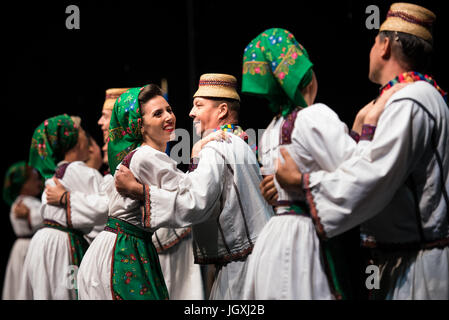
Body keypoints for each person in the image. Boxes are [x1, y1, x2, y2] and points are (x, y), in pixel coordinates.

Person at [275, 3, 449, 300]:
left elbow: (373, 177)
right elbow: (372, 166)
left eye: (373, 41)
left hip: (420, 265)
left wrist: (303, 181)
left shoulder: (411, 100)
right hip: (403, 258)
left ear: (383, 46)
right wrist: (362, 125)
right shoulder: (409, 98)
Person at [238, 27, 402, 300]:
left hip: (272, 241)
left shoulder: (269, 132)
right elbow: (359, 172)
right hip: (301, 241)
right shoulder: (313, 117)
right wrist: (365, 128)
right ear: (303, 75)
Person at [114, 74, 274, 299]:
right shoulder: (240, 143)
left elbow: (194, 202)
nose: (191, 112)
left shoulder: (217, 148)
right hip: (254, 258)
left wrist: (139, 191)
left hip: (241, 267)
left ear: (222, 110)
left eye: (198, 105)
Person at [77, 84, 218, 300]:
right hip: (123, 249)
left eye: (169, 110)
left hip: (122, 245)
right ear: (141, 126)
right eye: (158, 113)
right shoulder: (147, 157)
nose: (169, 117)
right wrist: (199, 156)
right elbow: (190, 199)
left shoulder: (144, 155)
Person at [20, 114, 109, 300]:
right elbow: (107, 207)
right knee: (66, 292)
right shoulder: (82, 172)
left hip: (42, 244)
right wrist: (68, 199)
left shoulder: (56, 174)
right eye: (84, 132)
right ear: (75, 141)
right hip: (63, 246)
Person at [2, 162, 43, 300]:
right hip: (26, 248)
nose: (39, 182)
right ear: (24, 184)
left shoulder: (32, 202)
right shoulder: (21, 204)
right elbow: (44, 217)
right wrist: (30, 216)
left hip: (30, 245)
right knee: (23, 285)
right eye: (34, 179)